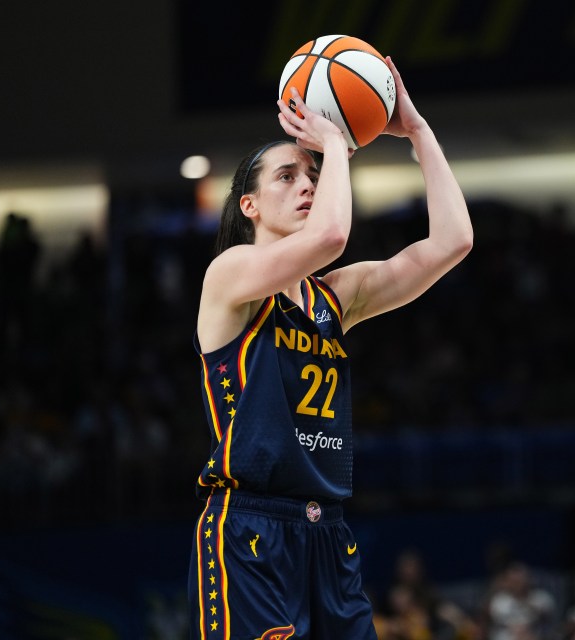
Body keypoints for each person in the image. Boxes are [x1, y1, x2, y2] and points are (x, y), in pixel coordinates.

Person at [187, 56, 473, 639]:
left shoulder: (334, 299)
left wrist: (419, 132)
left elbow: (453, 240)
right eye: (287, 177)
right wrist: (335, 145)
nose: (307, 184)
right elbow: (333, 235)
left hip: (328, 531)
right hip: (249, 525)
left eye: (311, 176)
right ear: (250, 206)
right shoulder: (230, 276)